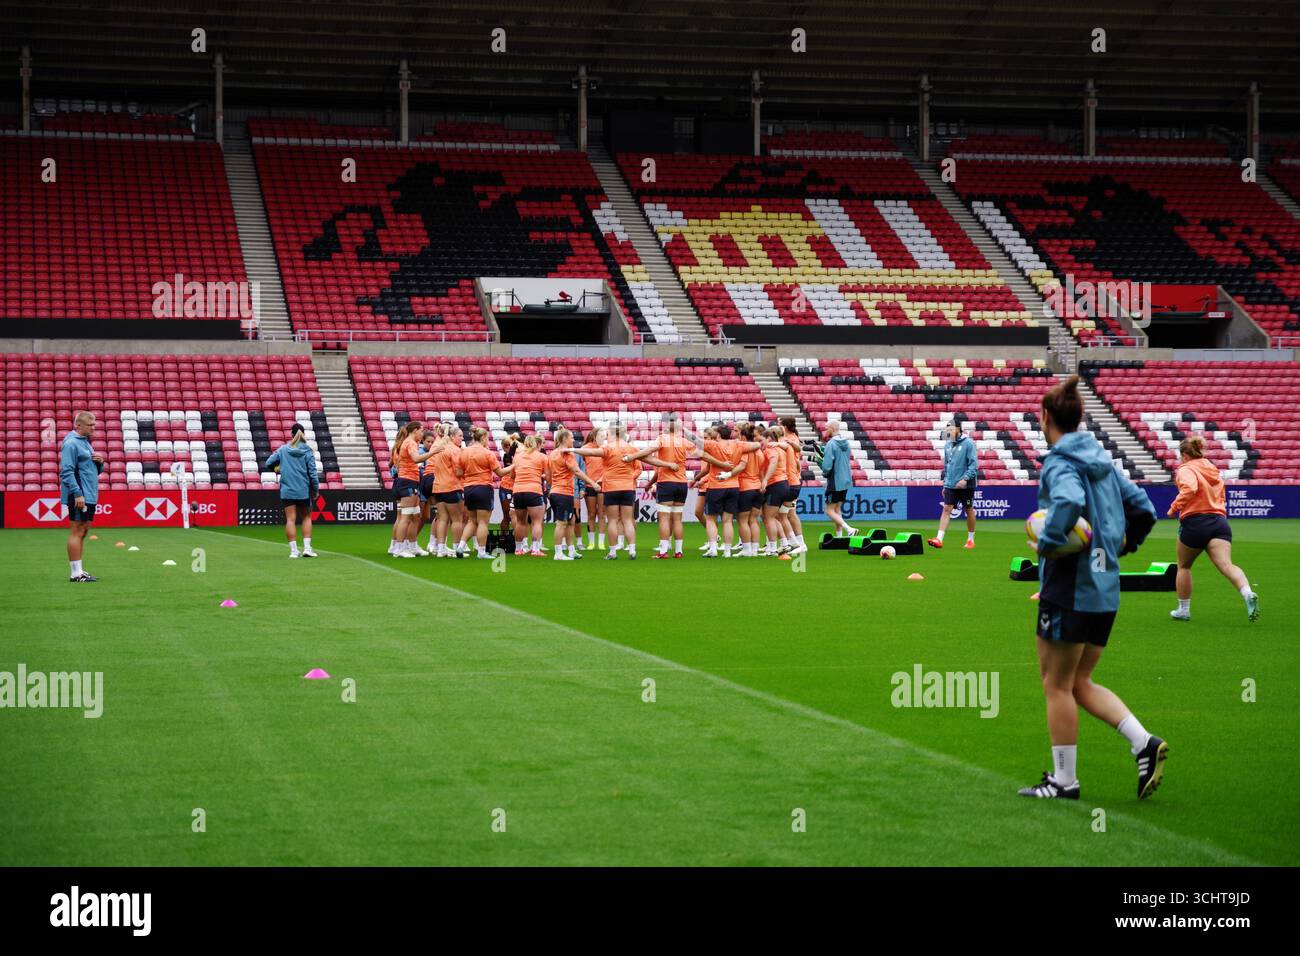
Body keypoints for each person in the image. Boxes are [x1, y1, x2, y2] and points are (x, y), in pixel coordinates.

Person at [1018, 376, 1164, 801]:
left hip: (1070, 586)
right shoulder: (1101, 460)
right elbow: (1145, 509)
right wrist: (1122, 546)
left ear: (1045, 417)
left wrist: (1047, 545)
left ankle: (1065, 782)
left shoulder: (1060, 462)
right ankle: (1144, 743)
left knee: (1056, 684)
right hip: (1105, 590)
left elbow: (1066, 503)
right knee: (1080, 680)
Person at [1167, 435, 1258, 622]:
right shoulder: (1211, 467)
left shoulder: (1185, 469)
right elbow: (1222, 494)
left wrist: (1173, 508)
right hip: (1219, 522)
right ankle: (1248, 592)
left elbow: (1190, 489)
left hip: (1195, 522)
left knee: (1183, 566)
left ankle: (1183, 610)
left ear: (1184, 454)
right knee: (1227, 565)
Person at [623, 413, 691, 559]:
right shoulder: (684, 441)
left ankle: (663, 551)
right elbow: (701, 454)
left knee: (664, 518)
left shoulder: (662, 439)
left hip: (667, 482)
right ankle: (678, 551)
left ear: (667, 426)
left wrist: (632, 457)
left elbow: (648, 451)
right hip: (682, 482)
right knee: (678, 518)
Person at [60, 411, 105, 582]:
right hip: (80, 495)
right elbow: (67, 471)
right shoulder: (71, 443)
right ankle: (75, 574)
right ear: (78, 425)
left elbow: (90, 469)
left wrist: (100, 463)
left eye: (94, 424)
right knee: (77, 530)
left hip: (88, 494)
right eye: (90, 425)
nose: (94, 428)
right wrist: (77, 493)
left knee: (83, 530)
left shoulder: (85, 443)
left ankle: (79, 570)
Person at [265, 422, 320, 559]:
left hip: (287, 490)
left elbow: (268, 463)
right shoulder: (307, 450)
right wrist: (316, 488)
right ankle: (307, 549)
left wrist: (277, 469)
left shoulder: (283, 449)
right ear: (303, 435)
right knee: (306, 518)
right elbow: (312, 472)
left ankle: (294, 551)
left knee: (290, 520)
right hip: (303, 490)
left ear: (291, 434)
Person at [457, 426, 508, 559]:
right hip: (483, 487)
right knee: (483, 522)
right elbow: (500, 473)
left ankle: (461, 546)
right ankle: (481, 552)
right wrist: (514, 466)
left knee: (471, 521)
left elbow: (459, 473)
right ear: (483, 438)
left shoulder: (464, 452)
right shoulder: (487, 453)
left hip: (468, 488)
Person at [928, 421, 978, 550]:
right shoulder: (948, 445)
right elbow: (947, 466)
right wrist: (945, 484)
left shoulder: (968, 443)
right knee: (946, 509)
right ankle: (939, 539)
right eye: (947, 430)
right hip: (951, 484)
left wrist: (965, 479)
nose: (948, 432)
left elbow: (973, 465)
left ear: (958, 429)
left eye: (951, 429)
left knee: (969, 509)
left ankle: (971, 539)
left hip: (966, 485)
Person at [547, 428, 592, 561]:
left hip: (556, 491)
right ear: (565, 439)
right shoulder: (567, 454)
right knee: (561, 523)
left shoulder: (552, 453)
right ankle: (558, 553)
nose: (573, 440)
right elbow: (577, 471)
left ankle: (571, 550)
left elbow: (548, 475)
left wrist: (552, 486)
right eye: (571, 437)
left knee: (570, 521)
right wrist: (592, 483)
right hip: (564, 493)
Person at [506, 434, 548, 556]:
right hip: (534, 490)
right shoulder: (541, 456)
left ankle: (518, 549)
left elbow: (512, 475)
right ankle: (535, 549)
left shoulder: (517, 457)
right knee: (536, 521)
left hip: (518, 491)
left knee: (520, 522)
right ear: (536, 444)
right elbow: (548, 475)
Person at [390, 421, 426, 558]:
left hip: (406, 480)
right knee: (406, 516)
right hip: (407, 481)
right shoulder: (410, 443)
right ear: (415, 430)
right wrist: (433, 452)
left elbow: (391, 463)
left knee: (414, 515)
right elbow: (416, 459)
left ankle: (409, 545)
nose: (422, 433)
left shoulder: (403, 444)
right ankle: (399, 548)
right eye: (421, 431)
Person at [819, 420, 858, 538]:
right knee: (837, 509)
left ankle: (849, 529)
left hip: (835, 480)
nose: (825, 431)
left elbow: (827, 465)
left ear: (832, 428)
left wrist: (824, 470)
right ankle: (839, 537)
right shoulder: (846, 442)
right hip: (846, 478)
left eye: (827, 428)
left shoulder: (831, 444)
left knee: (829, 510)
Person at [761, 424, 789, 558]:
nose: (761, 443)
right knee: (773, 517)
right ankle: (783, 543)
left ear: (768, 438)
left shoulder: (770, 448)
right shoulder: (779, 447)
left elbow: (773, 462)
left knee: (769, 517)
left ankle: (772, 548)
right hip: (782, 482)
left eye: (762, 440)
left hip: (775, 484)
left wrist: (765, 479)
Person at [580, 427, 607, 550]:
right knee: (591, 513)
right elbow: (580, 467)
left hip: (602, 484)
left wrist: (602, 478)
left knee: (602, 513)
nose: (604, 438)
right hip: (589, 484)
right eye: (601, 436)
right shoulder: (584, 449)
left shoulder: (605, 449)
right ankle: (591, 542)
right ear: (594, 436)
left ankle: (601, 543)